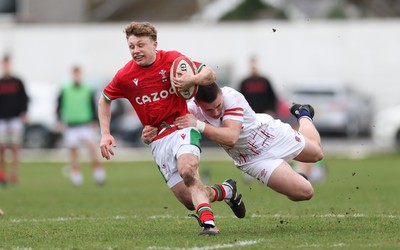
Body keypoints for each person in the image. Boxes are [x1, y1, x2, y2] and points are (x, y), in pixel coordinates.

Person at [98, 21, 245, 236]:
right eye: (131, 47)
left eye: (140, 45)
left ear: (154, 44)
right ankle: (227, 191)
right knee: (188, 200)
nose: (136, 51)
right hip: (158, 139)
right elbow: (104, 100)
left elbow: (210, 74)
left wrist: (191, 80)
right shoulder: (125, 76)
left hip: (182, 127)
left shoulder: (173, 60)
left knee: (188, 170)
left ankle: (208, 225)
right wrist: (105, 133)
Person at [143, 82, 324, 206]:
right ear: (197, 104)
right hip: (252, 159)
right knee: (304, 192)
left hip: (270, 135)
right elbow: (165, 124)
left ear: (221, 95)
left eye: (218, 106)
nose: (215, 112)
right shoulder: (191, 110)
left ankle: (303, 114)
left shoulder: (231, 96)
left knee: (317, 154)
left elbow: (231, 137)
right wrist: (149, 132)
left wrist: (198, 124)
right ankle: (295, 177)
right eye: (209, 109)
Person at [56, 65, 106, 186]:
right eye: (74, 73)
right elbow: (59, 106)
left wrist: (94, 120)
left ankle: (98, 172)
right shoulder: (65, 89)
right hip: (71, 125)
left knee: (92, 149)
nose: (76, 76)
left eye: (78, 73)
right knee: (73, 151)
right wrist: (59, 121)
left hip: (85, 124)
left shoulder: (88, 88)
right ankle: (76, 175)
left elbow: (93, 105)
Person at [0, 54, 29, 186]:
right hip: (2, 119)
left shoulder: (17, 82)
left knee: (15, 147)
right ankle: (2, 175)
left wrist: (24, 112)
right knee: (2, 148)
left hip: (15, 119)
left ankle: (14, 174)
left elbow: (24, 98)